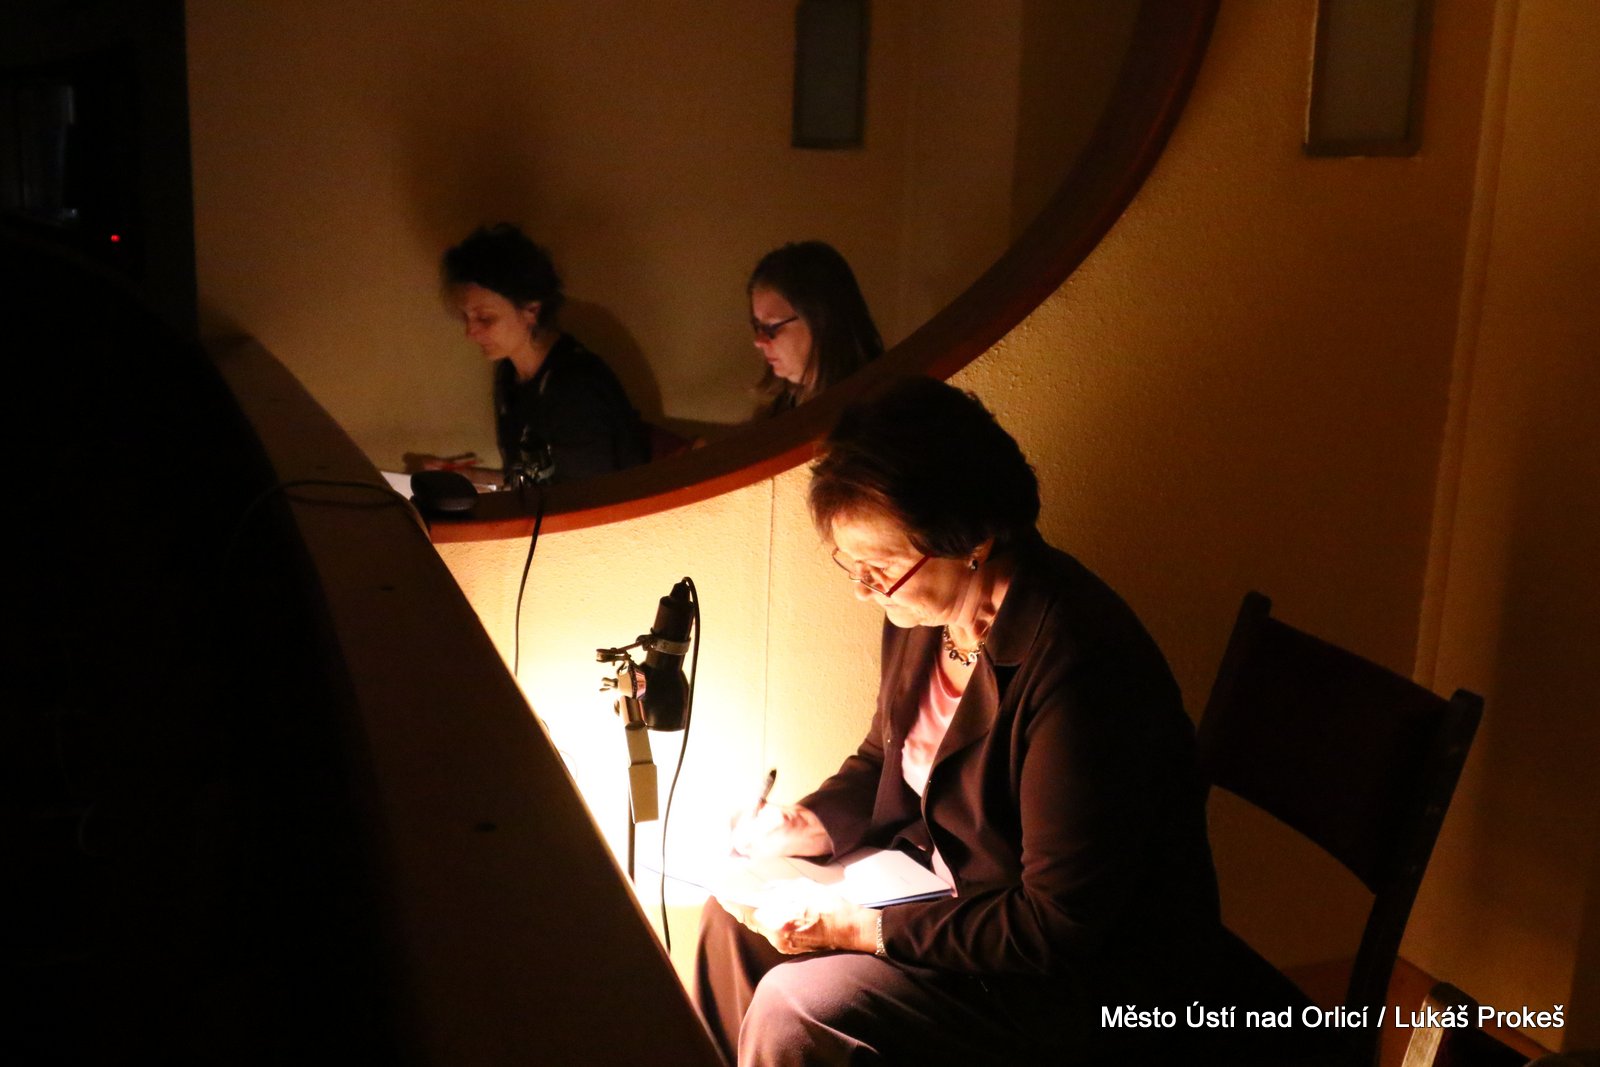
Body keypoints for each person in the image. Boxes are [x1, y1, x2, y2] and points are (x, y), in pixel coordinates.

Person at [693, 378, 1222, 1066]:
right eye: (852, 564)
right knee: (730, 919)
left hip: (1076, 979)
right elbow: (884, 759)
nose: (863, 589)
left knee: (797, 1010)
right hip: (949, 894)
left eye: (880, 567)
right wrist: (809, 824)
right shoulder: (926, 613)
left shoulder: (1080, 667)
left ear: (972, 539)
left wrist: (858, 927)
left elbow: (1055, 923)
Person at [441, 224, 648, 486]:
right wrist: (468, 478)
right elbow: (534, 479)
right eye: (466, 317)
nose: (470, 332)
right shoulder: (510, 374)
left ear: (531, 310)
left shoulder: (575, 389)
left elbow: (584, 500)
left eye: (485, 318)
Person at [748, 241, 883, 418]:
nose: (758, 341)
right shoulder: (781, 411)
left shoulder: (876, 412)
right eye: (758, 325)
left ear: (822, 321)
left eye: (771, 327)